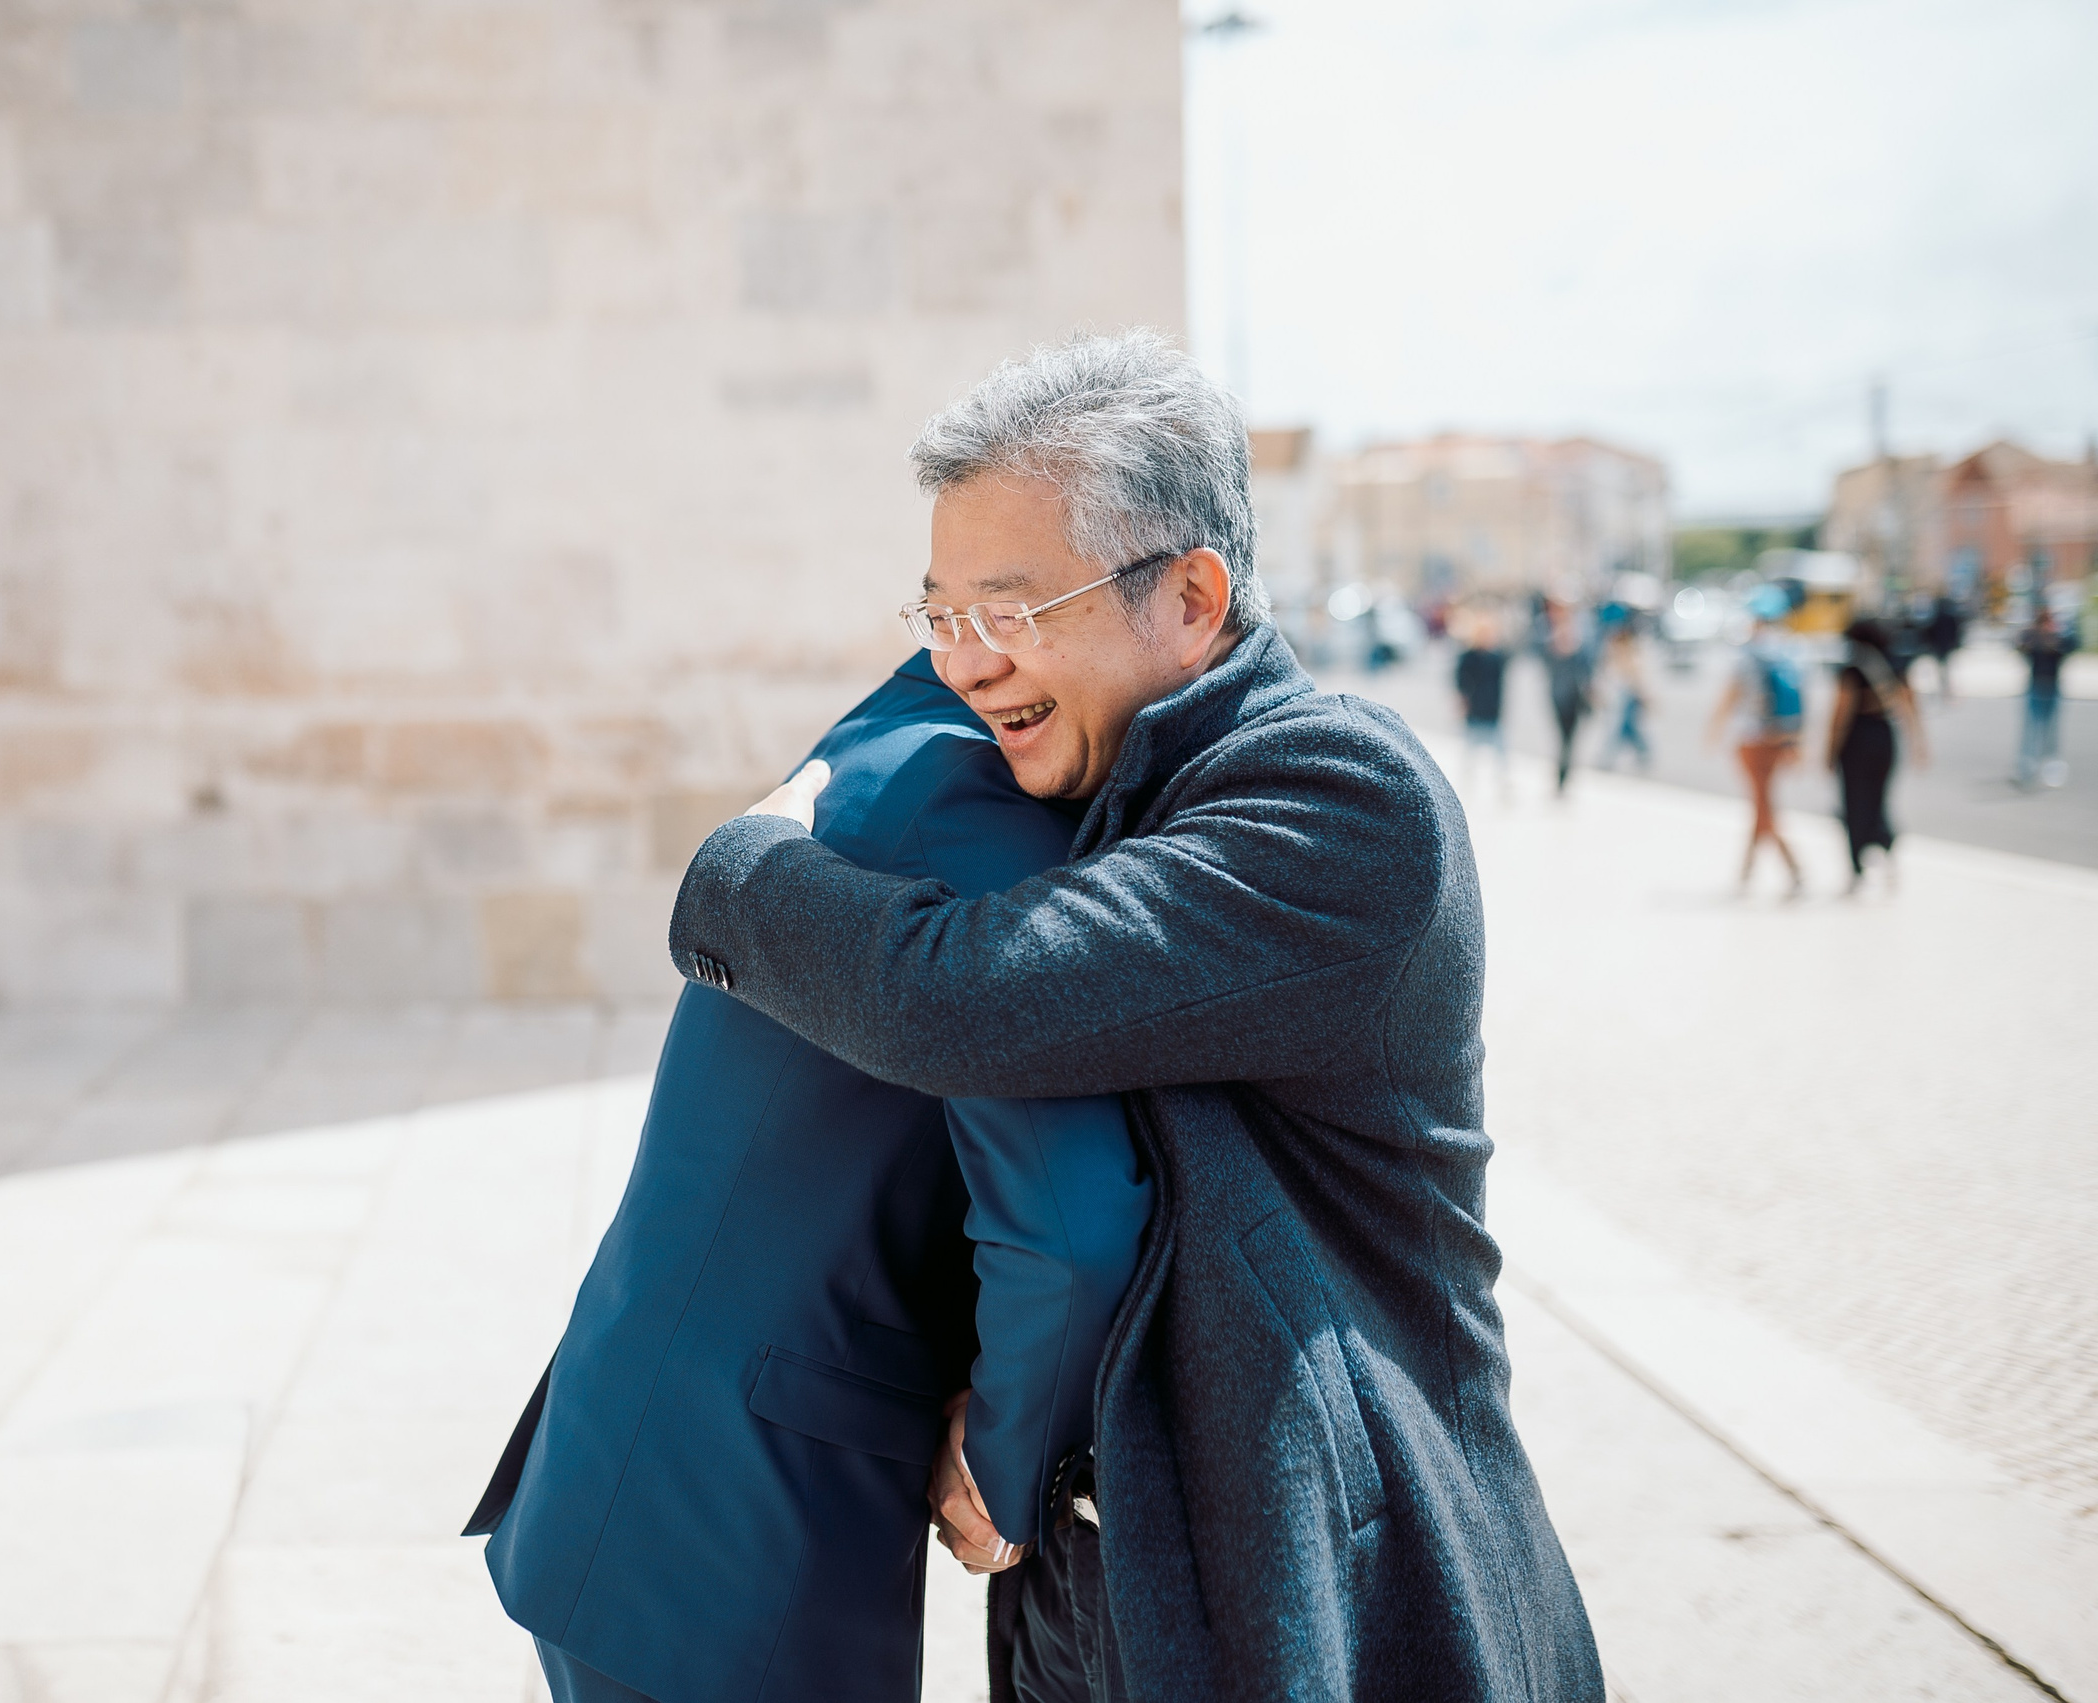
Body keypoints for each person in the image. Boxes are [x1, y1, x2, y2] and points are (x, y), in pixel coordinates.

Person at [667, 332, 1602, 1703]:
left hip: (1328, 1593)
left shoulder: (1344, 797)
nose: (967, 665)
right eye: (941, 611)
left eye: (1012, 607)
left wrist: (737, 870)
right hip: (1088, 1588)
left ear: (1191, 594)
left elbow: (966, 998)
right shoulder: (1093, 793)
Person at [464, 657, 1151, 1703]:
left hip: (635, 1463)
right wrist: (1007, 1468)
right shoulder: (978, 793)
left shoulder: (882, 739)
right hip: (737, 1532)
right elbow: (1069, 1226)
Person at [1706, 587, 1806, 898]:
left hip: (1751, 739)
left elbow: (1730, 696)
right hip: (1780, 739)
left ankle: (1793, 868)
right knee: (1761, 802)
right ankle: (1747, 871)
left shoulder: (1747, 653)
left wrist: (1713, 730)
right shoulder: (1791, 650)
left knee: (1762, 804)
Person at [1827, 614, 1928, 894]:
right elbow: (1910, 706)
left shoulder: (1851, 666)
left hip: (1857, 738)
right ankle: (1886, 849)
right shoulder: (1897, 663)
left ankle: (1858, 867)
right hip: (1885, 735)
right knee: (1879, 799)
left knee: (1854, 803)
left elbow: (1840, 714)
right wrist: (1919, 744)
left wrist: (1829, 751)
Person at [1452, 608, 1513, 801]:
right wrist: (1462, 704)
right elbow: (1460, 683)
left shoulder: (1497, 657)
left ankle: (1503, 790)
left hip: (1493, 712)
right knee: (1470, 755)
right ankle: (1465, 789)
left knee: (1500, 756)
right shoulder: (1469, 656)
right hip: (1475, 712)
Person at [2017, 605, 2070, 788]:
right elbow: (2022, 648)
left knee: (2050, 733)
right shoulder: (2033, 638)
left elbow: (2066, 649)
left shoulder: (2057, 638)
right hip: (2036, 686)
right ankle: (2027, 769)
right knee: (2031, 732)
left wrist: (2049, 637)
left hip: (2051, 687)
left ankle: (2050, 769)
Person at [1543, 605, 1593, 795]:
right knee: (1564, 740)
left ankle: (1563, 775)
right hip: (1559, 699)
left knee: (1569, 740)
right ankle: (1562, 775)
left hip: (1575, 700)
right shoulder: (1553, 646)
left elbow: (1587, 673)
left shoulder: (1581, 648)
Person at [1597, 620, 1651, 772]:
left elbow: (1638, 679)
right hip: (1616, 697)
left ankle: (1608, 758)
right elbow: (1605, 678)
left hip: (1628, 698)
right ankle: (1644, 752)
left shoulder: (1631, 658)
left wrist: (1646, 697)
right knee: (1628, 729)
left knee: (1619, 728)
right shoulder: (1611, 656)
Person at [1922, 594, 1966, 700]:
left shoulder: (1937, 617)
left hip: (1941, 646)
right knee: (1944, 667)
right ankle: (1945, 687)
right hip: (1944, 646)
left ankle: (1945, 687)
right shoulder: (1948, 618)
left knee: (1943, 668)